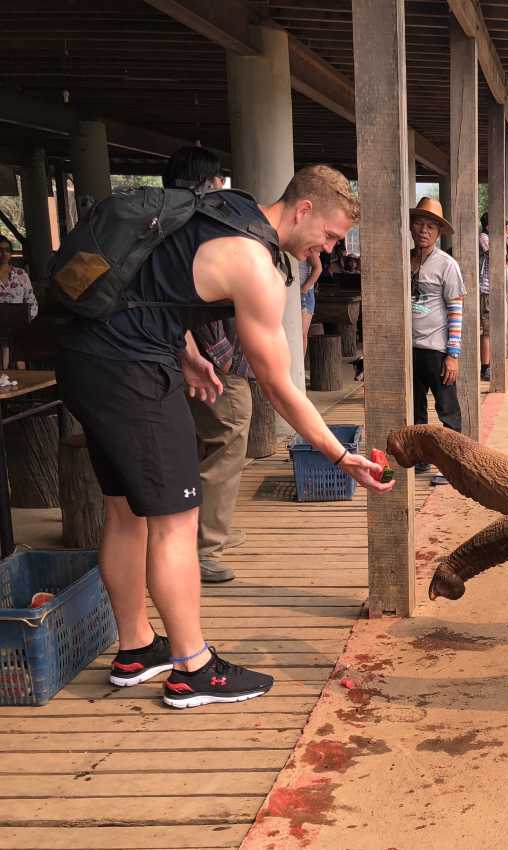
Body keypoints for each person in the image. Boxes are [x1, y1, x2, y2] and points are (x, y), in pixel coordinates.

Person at [56, 164, 393, 709]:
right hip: (133, 375)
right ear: (302, 209)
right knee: (175, 522)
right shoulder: (255, 264)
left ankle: (137, 647)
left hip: (87, 360)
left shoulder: (223, 208)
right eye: (328, 236)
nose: (326, 251)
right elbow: (280, 386)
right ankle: (193, 668)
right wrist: (339, 454)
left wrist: (188, 354)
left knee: (125, 512)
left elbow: (155, 281)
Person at [161, 146, 252, 586]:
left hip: (176, 356)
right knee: (225, 446)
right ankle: (206, 548)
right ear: (208, 182)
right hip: (215, 363)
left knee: (201, 445)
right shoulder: (202, 227)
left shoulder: (162, 223)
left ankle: (205, 535)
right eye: (218, 180)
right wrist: (210, 357)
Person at [411, 197, 466, 486]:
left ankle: (453, 467)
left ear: (439, 232)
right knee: (415, 409)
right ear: (411, 226)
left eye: (430, 226)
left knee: (447, 410)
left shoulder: (447, 265)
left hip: (436, 350)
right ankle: (419, 459)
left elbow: (456, 309)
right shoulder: (405, 260)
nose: (424, 230)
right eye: (419, 223)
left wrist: (452, 354)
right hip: (409, 349)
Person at [477, 212, 508, 382]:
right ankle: (485, 367)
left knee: (497, 328)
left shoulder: (498, 240)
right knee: (487, 331)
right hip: (487, 291)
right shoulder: (484, 237)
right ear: (489, 226)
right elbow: (493, 255)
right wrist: (504, 236)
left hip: (499, 291)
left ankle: (492, 362)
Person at [0, 236, 36, 369]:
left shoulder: (20, 274)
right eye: (0, 250)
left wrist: (26, 320)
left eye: (7, 250)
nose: (4, 253)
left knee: (19, 356)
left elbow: (31, 301)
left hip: (18, 327)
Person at [298, 250, 321, 360]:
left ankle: (299, 369)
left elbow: (318, 268)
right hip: (290, 293)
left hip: (304, 295)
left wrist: (304, 289)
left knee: (301, 334)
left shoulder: (308, 244)